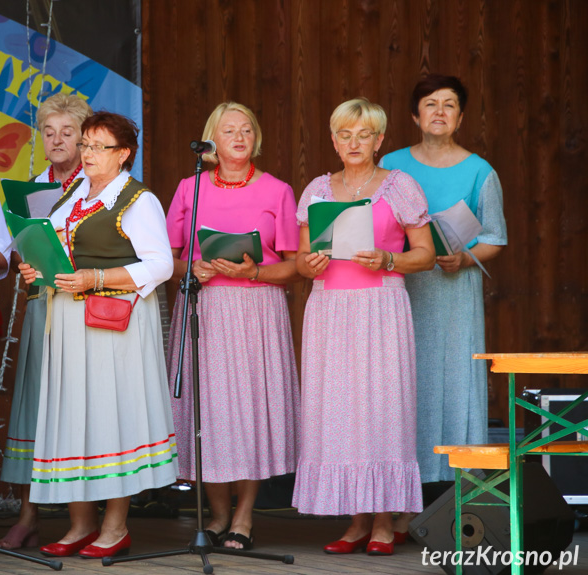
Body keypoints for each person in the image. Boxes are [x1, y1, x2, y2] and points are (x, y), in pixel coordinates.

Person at [18, 111, 177, 559]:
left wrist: (95, 277)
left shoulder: (137, 199)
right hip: (68, 323)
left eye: (97, 146)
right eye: (85, 144)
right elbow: (57, 248)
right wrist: (38, 266)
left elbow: (161, 265)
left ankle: (115, 525)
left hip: (113, 325)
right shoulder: (74, 194)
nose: (86, 153)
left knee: (112, 417)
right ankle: (80, 524)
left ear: (123, 154)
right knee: (76, 416)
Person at [291, 98, 435, 556]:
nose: (354, 143)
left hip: (380, 308)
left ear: (380, 140)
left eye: (364, 134)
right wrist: (309, 264)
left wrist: (389, 259)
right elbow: (300, 259)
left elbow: (426, 254)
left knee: (380, 411)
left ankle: (384, 521)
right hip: (329, 309)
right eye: (345, 134)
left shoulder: (399, 185)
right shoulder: (317, 188)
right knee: (337, 415)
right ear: (334, 140)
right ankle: (354, 521)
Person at [165, 101, 302, 550]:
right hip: (204, 307)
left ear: (255, 138)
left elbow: (294, 266)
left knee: (249, 414)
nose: (239, 137)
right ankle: (218, 515)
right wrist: (193, 266)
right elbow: (167, 257)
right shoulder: (190, 188)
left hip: (256, 311)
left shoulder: (277, 190)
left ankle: (244, 515)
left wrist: (255, 272)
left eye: (247, 130)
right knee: (210, 412)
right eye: (229, 131)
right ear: (212, 141)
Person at [379, 75, 507, 530]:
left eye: (449, 105)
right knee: (400, 386)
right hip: (400, 291)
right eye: (430, 104)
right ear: (414, 115)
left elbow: (494, 236)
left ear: (460, 117)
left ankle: (459, 503)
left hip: (453, 291)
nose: (439, 112)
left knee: (453, 385)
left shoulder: (479, 171)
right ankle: (400, 499)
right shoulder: (391, 166)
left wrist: (465, 258)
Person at [0, 93, 92, 550]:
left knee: (79, 407)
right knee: (36, 402)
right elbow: (19, 246)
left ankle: (86, 519)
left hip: (85, 304)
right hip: (43, 304)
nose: (56, 140)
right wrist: (24, 261)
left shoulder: (98, 183)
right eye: (49, 132)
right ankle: (29, 514)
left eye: (67, 132)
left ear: (84, 136)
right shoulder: (33, 185)